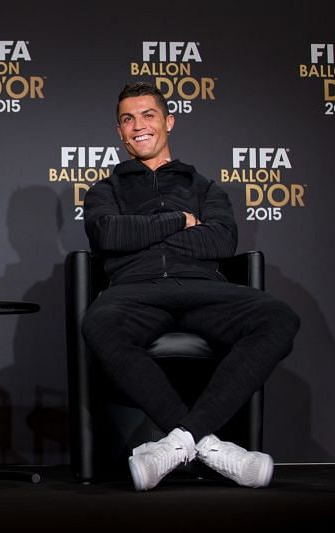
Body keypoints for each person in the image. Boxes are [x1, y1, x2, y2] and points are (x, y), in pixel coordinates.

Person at [81, 82, 300, 491]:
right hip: (137, 288)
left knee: (278, 317)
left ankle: (181, 443)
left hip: (203, 287)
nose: (138, 126)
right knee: (98, 323)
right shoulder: (104, 191)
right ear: (119, 132)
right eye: (128, 119)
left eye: (148, 115)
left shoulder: (204, 187)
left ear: (168, 121)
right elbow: (108, 235)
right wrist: (179, 221)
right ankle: (213, 447)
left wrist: (142, 233)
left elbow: (220, 240)